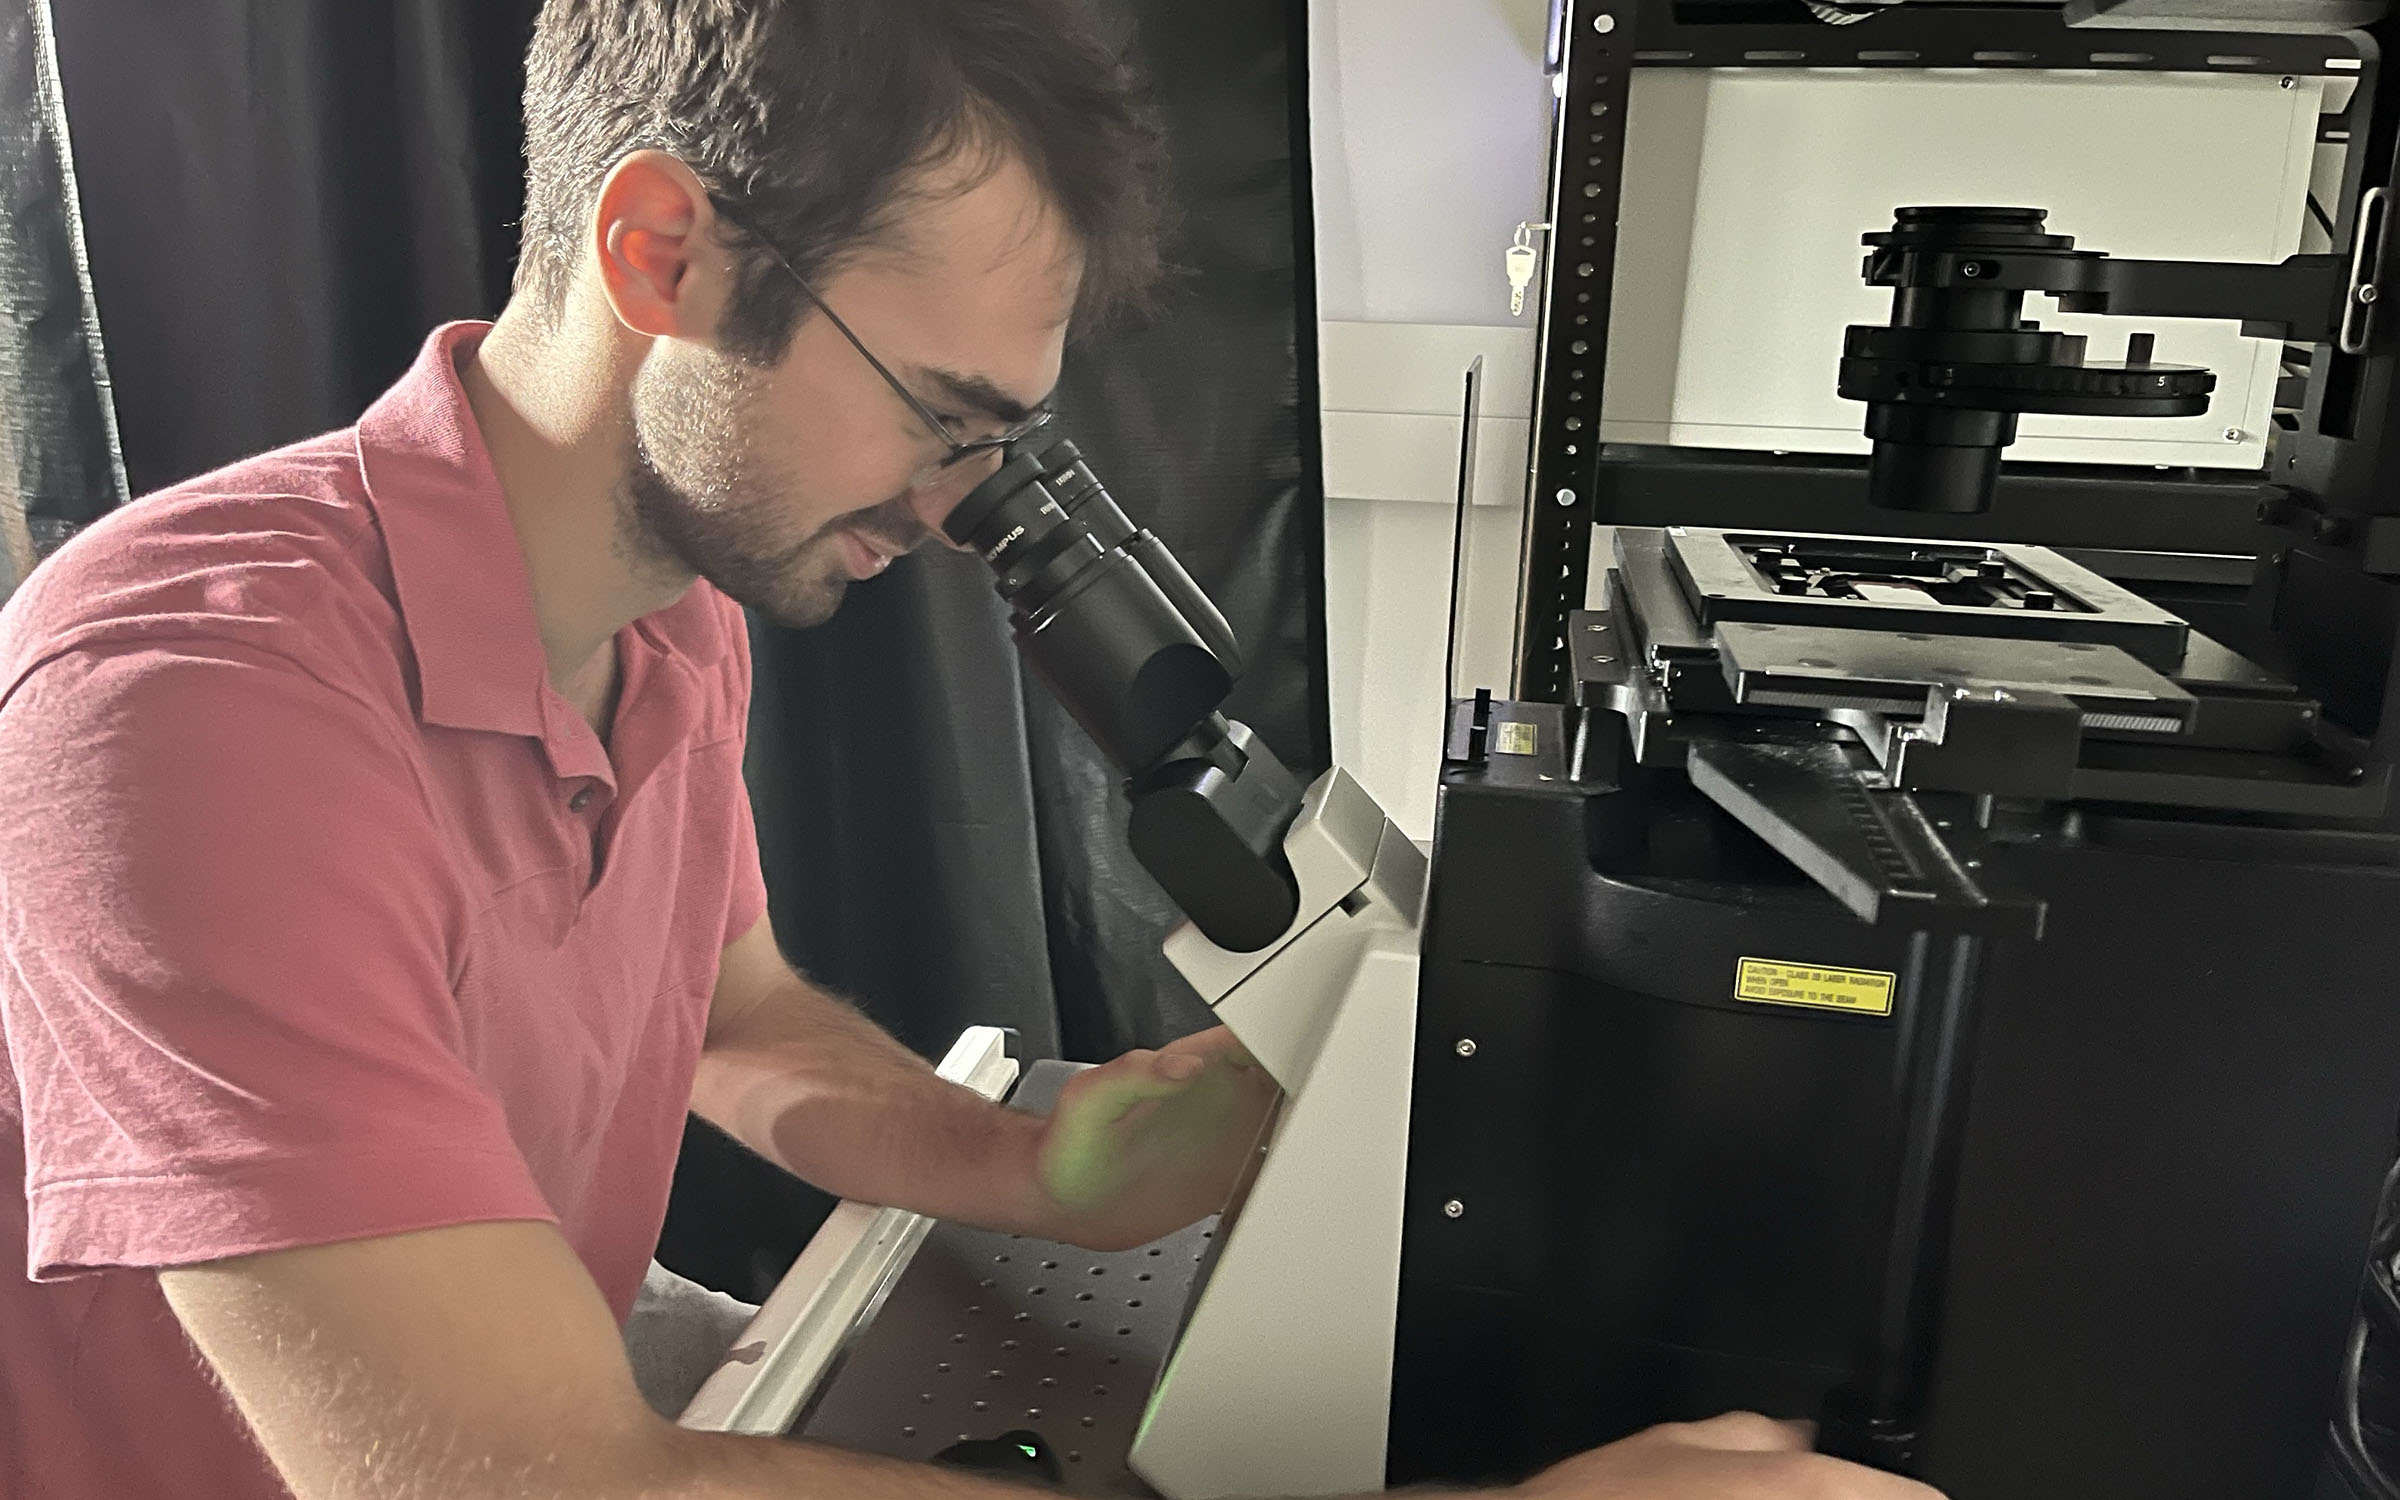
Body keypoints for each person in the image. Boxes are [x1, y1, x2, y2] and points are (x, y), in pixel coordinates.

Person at [0, 2, 1945, 1497]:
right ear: (662, 251)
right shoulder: (187, 709)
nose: (953, 510)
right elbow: (531, 1481)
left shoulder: (673, 617)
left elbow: (734, 1023)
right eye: (938, 416)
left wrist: (1045, 1170)